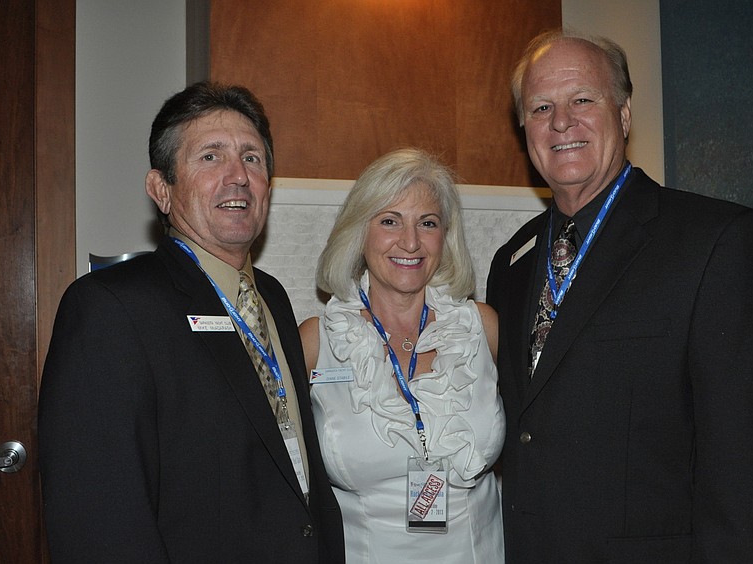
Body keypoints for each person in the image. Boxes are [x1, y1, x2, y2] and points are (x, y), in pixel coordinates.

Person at [486, 28, 753, 563]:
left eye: (583, 99)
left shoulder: (718, 242)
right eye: (541, 107)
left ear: (624, 114)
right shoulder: (511, 264)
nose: (561, 122)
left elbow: (750, 468)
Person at [39, 82, 344, 563]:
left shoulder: (273, 298)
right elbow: (98, 518)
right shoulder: (110, 307)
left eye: (251, 158)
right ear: (161, 189)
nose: (238, 176)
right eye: (210, 156)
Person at [299, 148, 505, 563]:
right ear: (360, 232)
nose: (410, 242)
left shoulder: (482, 328)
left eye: (427, 223)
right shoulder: (316, 342)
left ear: (445, 236)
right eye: (390, 221)